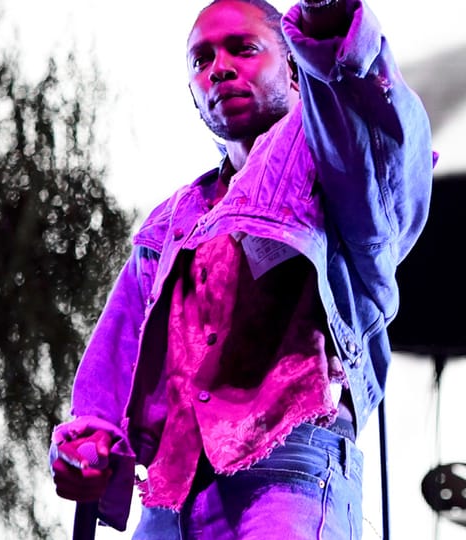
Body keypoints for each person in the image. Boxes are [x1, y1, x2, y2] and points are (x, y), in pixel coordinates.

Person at [50, 0, 434, 537]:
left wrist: (329, 27)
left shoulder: (332, 160)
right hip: (173, 491)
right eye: (201, 60)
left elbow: (379, 142)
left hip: (287, 471)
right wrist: (90, 437)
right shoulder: (173, 221)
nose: (220, 69)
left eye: (244, 49)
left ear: (294, 66)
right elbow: (118, 345)